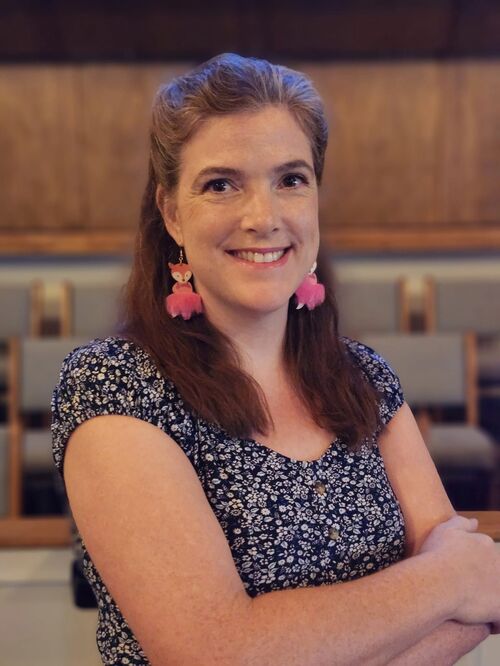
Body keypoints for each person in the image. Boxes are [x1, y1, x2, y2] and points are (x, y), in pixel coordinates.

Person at [51, 53, 500, 665]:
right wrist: (448, 578)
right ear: (172, 212)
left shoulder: (364, 377)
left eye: (291, 179)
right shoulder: (113, 387)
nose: (263, 218)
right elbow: (215, 653)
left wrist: (463, 585)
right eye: (221, 184)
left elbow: (481, 606)